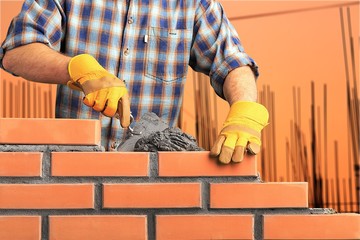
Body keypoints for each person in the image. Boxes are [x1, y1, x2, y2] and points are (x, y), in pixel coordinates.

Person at [0, 0, 268, 164]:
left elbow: (232, 61)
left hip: (152, 179)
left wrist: (245, 110)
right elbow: (17, 50)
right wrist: (76, 68)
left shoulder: (192, 3)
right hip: (72, 173)